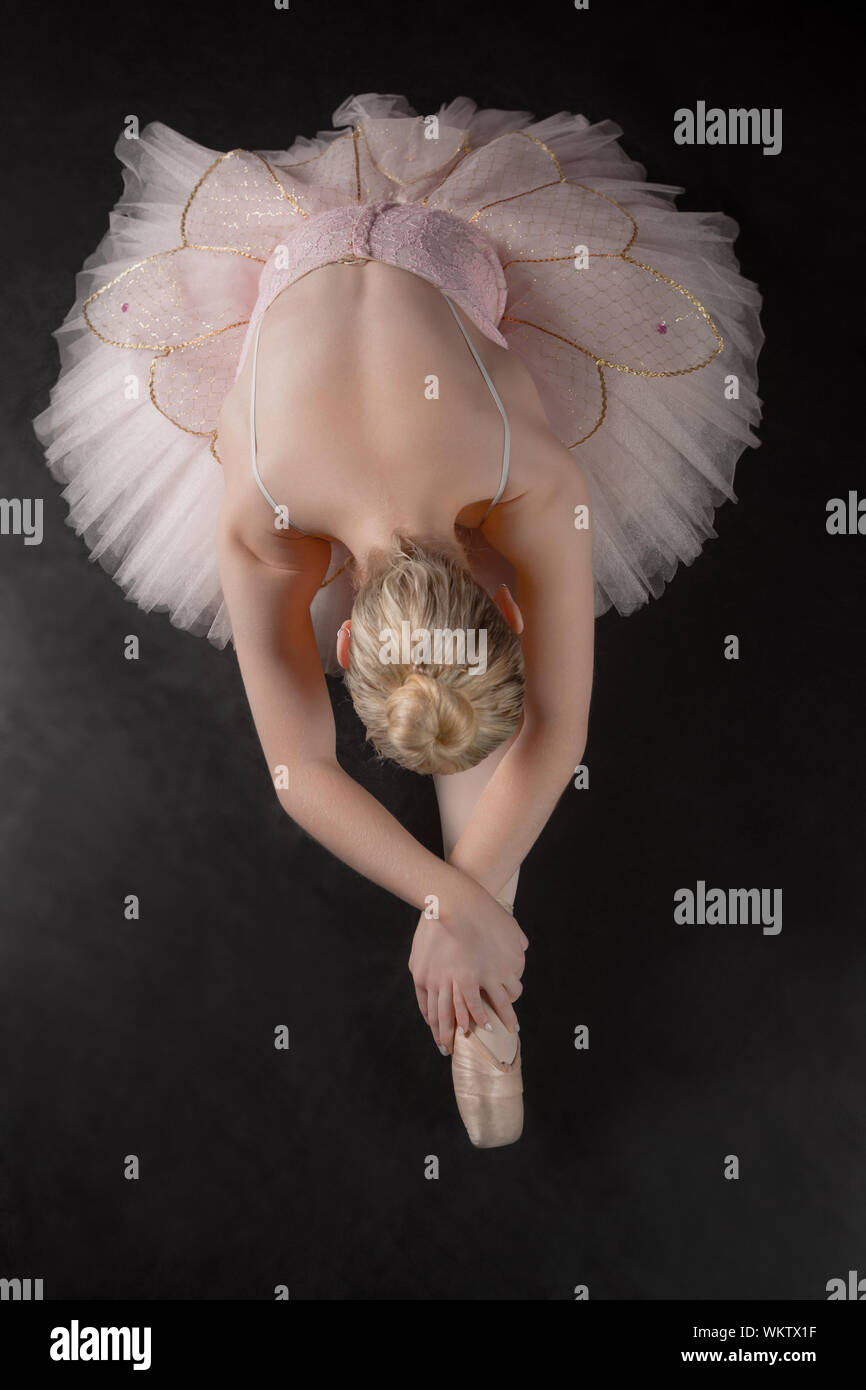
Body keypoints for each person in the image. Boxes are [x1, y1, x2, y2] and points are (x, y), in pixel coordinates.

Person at [33, 92, 763, 1147]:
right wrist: (448, 904)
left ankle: (484, 1008)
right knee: (461, 708)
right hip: (346, 293)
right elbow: (309, 773)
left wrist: (453, 909)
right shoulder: (269, 515)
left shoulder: (520, 475)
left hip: (435, 269)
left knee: (468, 709)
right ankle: (487, 1006)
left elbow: (550, 731)